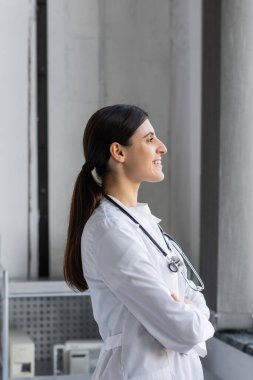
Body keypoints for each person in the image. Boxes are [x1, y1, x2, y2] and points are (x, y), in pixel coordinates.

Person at [63, 104, 214, 380]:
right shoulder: (110, 231)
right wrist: (190, 314)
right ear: (118, 152)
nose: (162, 147)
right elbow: (185, 330)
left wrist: (190, 313)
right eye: (149, 139)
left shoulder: (142, 225)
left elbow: (195, 306)